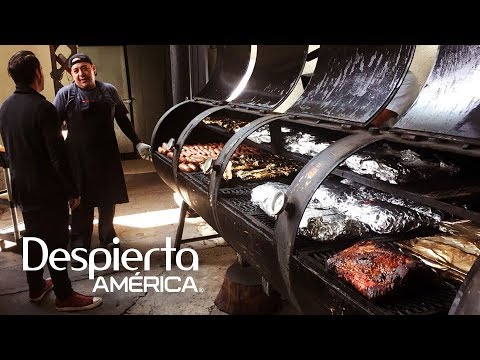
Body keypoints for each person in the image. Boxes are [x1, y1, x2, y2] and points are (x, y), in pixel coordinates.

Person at [0, 50, 102, 311]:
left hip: (22, 187)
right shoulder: (43, 108)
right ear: (37, 73)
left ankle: (35, 287)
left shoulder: (5, 107)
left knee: (33, 239)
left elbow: (11, 151)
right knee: (56, 242)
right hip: (48, 190)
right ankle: (65, 296)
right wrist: (72, 190)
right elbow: (58, 156)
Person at [53, 53, 152, 253]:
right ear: (71, 74)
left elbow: (123, 120)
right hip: (77, 158)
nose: (81, 74)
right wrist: (57, 154)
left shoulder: (109, 91)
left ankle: (108, 238)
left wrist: (138, 142)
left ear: (93, 68)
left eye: (85, 68)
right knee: (81, 204)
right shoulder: (65, 95)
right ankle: (80, 244)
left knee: (107, 201)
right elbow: (54, 127)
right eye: (76, 70)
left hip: (107, 156)